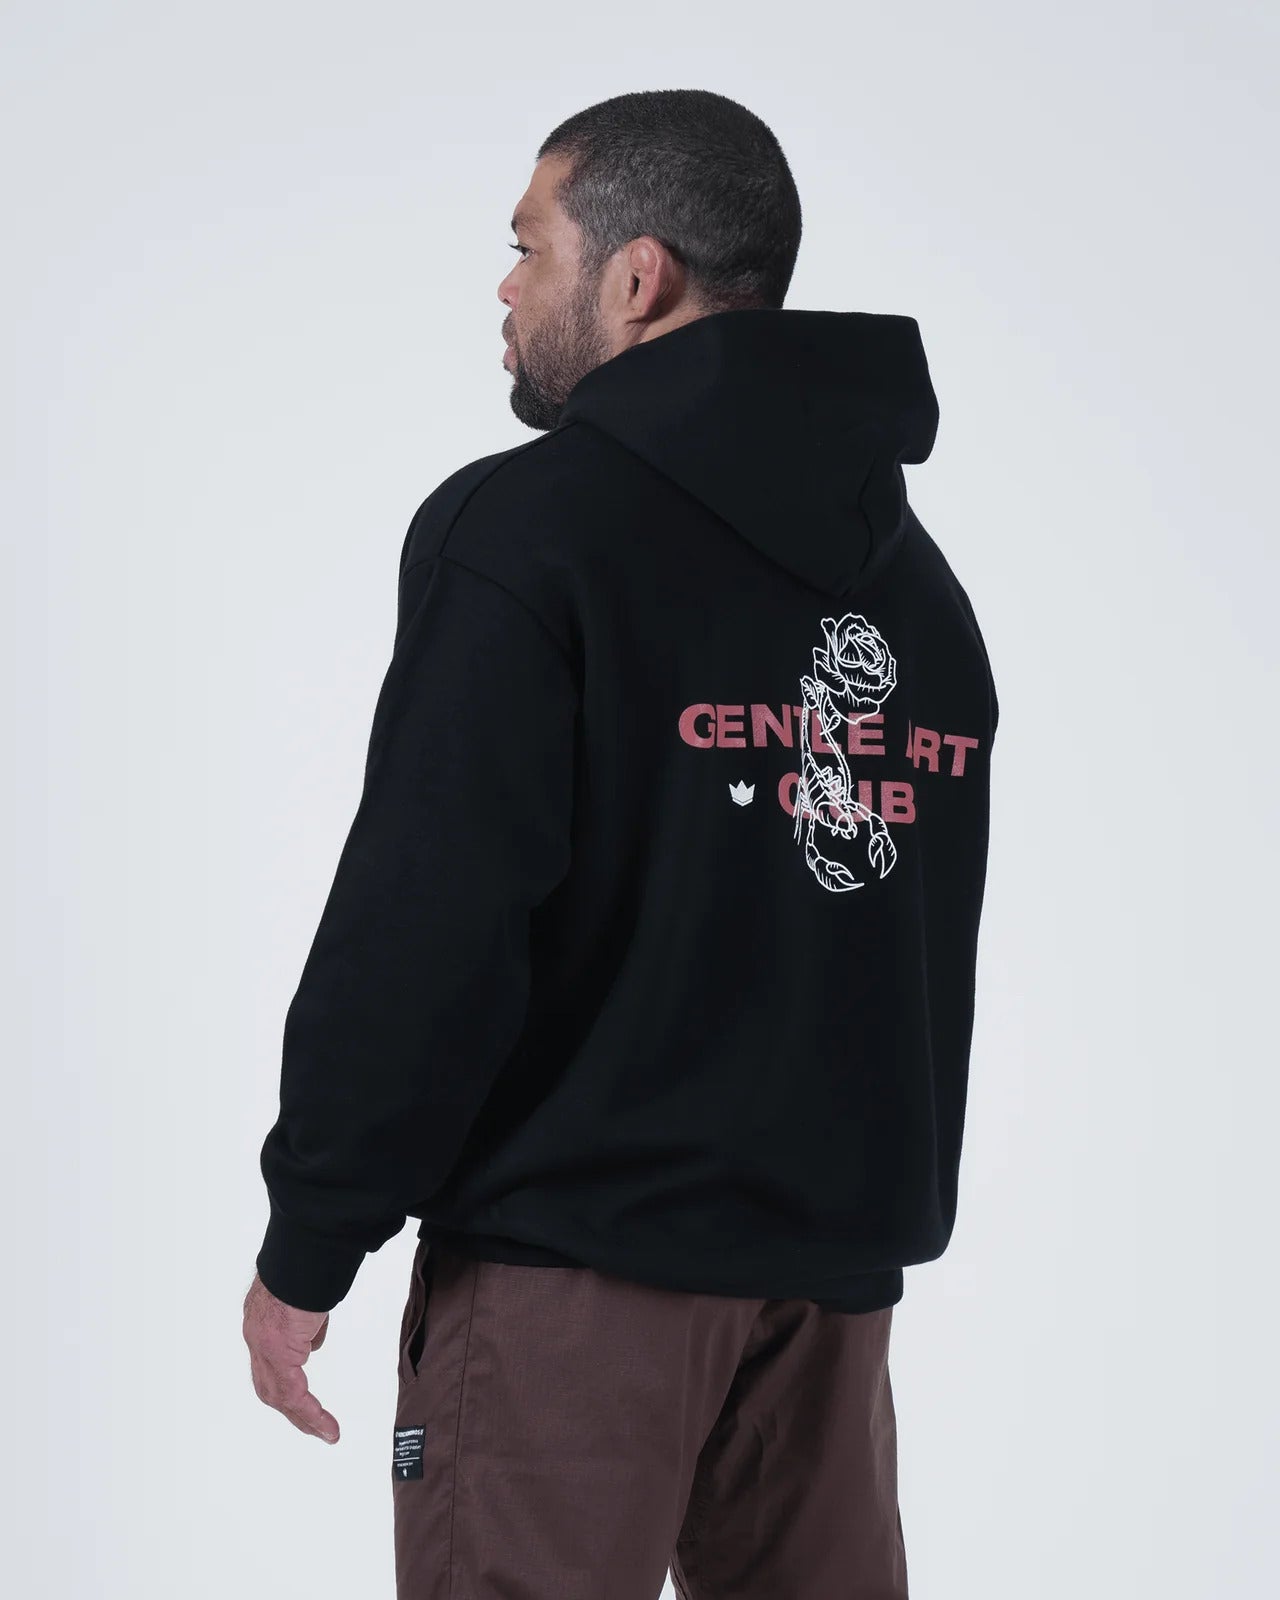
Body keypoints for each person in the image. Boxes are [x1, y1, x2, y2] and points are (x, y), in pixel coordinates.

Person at [242, 86, 998, 1599]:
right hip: (829, 1307)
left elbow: (431, 912)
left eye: (531, 246)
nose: (506, 287)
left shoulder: (532, 530)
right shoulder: (919, 592)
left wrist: (313, 1233)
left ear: (638, 276)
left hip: (571, 1289)